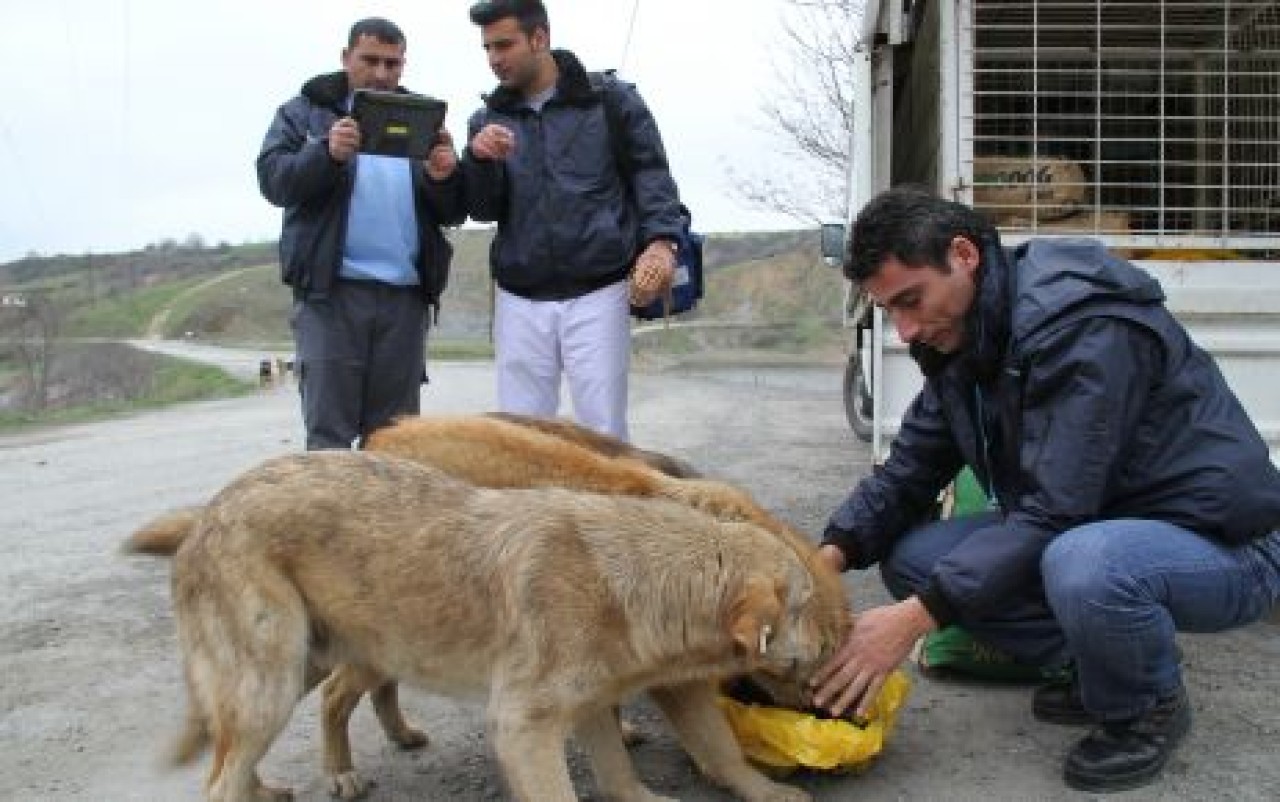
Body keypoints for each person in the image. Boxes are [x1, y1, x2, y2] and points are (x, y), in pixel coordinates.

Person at [808, 186, 1280, 793]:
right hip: (1097, 529)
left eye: (911, 300)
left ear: (964, 255)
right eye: (888, 311)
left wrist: (911, 622)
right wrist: (824, 561)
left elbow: (1057, 511)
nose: (904, 330)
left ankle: (1148, 703)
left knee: (1085, 564)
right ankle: (1100, 663)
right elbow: (907, 473)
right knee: (918, 560)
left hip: (1226, 548)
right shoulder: (964, 342)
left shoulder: (1086, 328)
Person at [461, 0, 684, 441]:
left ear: (539, 38)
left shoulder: (611, 101)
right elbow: (483, 209)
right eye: (487, 48)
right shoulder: (486, 120)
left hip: (599, 289)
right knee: (520, 438)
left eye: (504, 45)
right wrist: (479, 160)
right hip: (518, 295)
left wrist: (661, 241)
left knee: (603, 435)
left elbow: (651, 174)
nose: (493, 59)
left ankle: (608, 514)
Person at [256, 17, 466, 450]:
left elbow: (453, 211)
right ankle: (327, 521)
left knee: (394, 443)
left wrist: (445, 177)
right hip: (330, 298)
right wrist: (326, 154)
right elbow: (273, 181)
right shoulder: (304, 112)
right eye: (370, 60)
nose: (382, 73)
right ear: (345, 58)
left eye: (393, 64)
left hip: (405, 301)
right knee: (329, 438)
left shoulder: (423, 120)